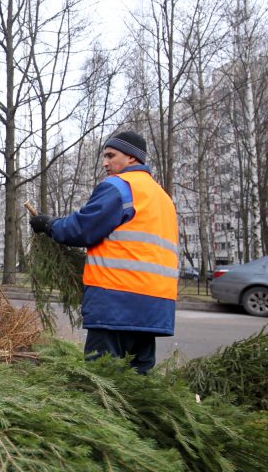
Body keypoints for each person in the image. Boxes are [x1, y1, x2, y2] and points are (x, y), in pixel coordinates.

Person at [29, 131, 178, 374]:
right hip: (155, 307)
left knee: (102, 384)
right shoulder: (163, 198)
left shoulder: (120, 187)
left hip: (118, 302)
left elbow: (81, 229)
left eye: (110, 156)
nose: (105, 163)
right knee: (139, 387)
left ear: (131, 158)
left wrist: (48, 225)